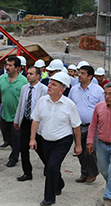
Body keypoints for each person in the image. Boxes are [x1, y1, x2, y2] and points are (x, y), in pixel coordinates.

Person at [30, 72, 82, 206]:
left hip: (63, 141)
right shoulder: (42, 101)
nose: (49, 86)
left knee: (51, 167)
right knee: (51, 166)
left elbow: (76, 127)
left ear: (62, 89)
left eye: (54, 85)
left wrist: (78, 145)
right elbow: (35, 120)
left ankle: (49, 197)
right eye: (50, 83)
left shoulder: (69, 105)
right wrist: (32, 138)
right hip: (45, 140)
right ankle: (59, 183)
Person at [68, 65, 104, 184]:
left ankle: (92, 172)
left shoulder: (98, 90)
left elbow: (103, 108)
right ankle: (84, 172)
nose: (79, 75)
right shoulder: (74, 89)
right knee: (80, 150)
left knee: (91, 150)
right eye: (79, 73)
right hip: (77, 125)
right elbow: (69, 106)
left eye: (83, 73)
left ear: (90, 76)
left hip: (92, 126)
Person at [13, 66, 48, 182]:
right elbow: (21, 105)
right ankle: (27, 172)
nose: (28, 75)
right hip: (26, 120)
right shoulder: (24, 88)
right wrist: (17, 120)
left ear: (38, 76)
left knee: (40, 147)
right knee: (23, 148)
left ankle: (48, 166)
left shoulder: (44, 89)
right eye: (28, 73)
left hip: (37, 122)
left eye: (31, 74)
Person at [0, 56, 28, 168]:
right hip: (4, 114)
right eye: (6, 65)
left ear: (18, 68)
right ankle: (14, 150)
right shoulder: (1, 78)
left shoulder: (23, 81)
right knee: (7, 137)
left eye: (10, 65)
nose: (7, 67)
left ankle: (13, 158)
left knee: (16, 138)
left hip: (17, 116)